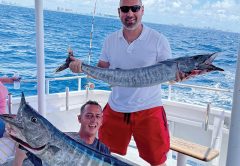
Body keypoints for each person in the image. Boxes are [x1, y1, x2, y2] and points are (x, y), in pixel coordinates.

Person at [69, 0, 172, 165]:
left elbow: (169, 73)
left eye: (135, 8)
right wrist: (81, 67)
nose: (130, 13)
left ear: (142, 10)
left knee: (158, 160)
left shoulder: (159, 40)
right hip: (116, 108)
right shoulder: (110, 40)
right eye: (125, 9)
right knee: (103, 155)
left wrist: (180, 76)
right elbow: (102, 69)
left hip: (149, 110)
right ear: (119, 13)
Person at [13, 100, 110, 166]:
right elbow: (23, 158)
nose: (93, 120)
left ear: (101, 121)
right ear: (79, 119)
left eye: (97, 116)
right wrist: (20, 140)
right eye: (89, 116)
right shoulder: (64, 138)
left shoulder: (104, 149)